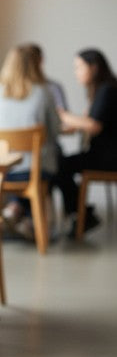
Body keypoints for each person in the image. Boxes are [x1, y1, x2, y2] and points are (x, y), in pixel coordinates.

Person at [0, 43, 60, 238]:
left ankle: (14, 210)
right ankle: (27, 218)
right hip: (31, 172)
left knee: (18, 164)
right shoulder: (43, 92)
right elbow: (54, 132)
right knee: (49, 161)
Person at [52, 49, 117, 236]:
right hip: (104, 154)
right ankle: (81, 214)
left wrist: (61, 114)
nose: (76, 72)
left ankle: (81, 215)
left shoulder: (107, 90)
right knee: (61, 163)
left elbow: (94, 125)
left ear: (94, 67)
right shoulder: (103, 89)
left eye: (79, 67)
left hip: (108, 158)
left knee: (59, 165)